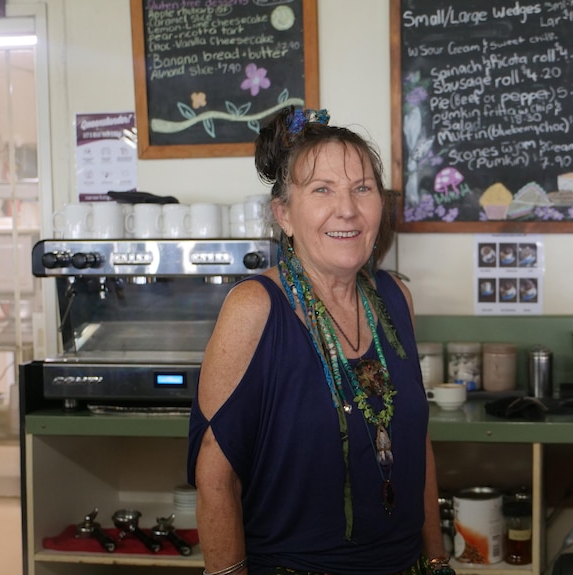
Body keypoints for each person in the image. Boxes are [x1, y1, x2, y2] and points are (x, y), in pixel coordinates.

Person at [188, 106, 453, 575]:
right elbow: (215, 476)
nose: (347, 209)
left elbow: (418, 445)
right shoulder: (254, 308)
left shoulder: (395, 299)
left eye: (362, 188)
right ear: (284, 215)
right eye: (322, 190)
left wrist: (435, 560)